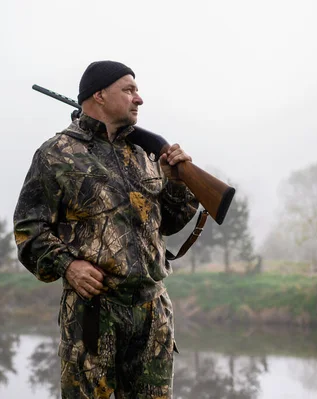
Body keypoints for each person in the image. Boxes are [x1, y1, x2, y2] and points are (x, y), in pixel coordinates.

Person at [13, 60, 199, 398]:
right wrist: (68, 266)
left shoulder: (145, 153)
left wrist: (175, 182)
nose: (138, 99)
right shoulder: (56, 154)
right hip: (92, 315)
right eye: (128, 90)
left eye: (137, 91)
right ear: (98, 95)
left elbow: (170, 222)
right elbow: (29, 230)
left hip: (152, 313)